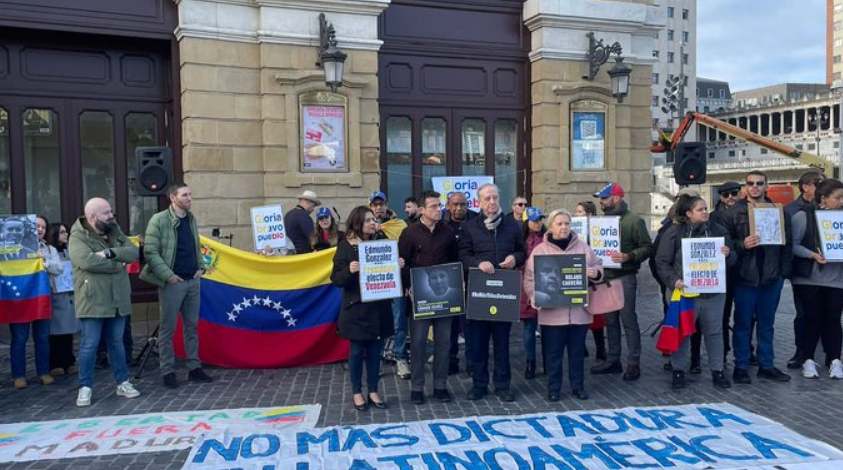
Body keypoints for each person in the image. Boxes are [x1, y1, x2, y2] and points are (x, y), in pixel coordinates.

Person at [654, 195, 736, 390]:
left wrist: (729, 254)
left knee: (714, 332)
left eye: (706, 208)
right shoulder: (673, 233)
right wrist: (674, 281)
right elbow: (661, 262)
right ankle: (678, 370)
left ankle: (717, 370)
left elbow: (734, 259)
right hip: (683, 292)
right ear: (688, 213)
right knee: (682, 332)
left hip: (713, 293)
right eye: (701, 209)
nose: (706, 212)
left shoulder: (718, 231)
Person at [723, 170, 793, 385]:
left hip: (771, 277)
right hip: (745, 277)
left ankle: (767, 365)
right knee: (743, 323)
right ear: (745, 187)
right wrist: (741, 245)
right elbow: (725, 242)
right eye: (751, 183)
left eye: (759, 183)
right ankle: (741, 366)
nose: (755, 187)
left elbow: (787, 245)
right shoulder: (733, 212)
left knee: (767, 324)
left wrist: (783, 274)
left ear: (766, 186)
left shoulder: (779, 212)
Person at [524, 209, 602, 402]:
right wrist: (534, 295)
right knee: (553, 354)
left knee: (577, 354)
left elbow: (599, 266)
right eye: (559, 224)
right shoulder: (540, 251)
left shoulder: (583, 247)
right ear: (551, 226)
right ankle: (554, 388)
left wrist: (595, 272)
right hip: (552, 314)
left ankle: (578, 387)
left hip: (579, 312)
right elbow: (529, 279)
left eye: (567, 223)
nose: (564, 227)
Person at [141, 183, 213, 389]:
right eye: (185, 195)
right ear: (173, 198)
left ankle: (194, 368)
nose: (190, 198)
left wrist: (201, 267)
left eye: (190, 194)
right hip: (173, 282)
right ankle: (168, 371)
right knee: (168, 329)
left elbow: (195, 246)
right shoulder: (159, 220)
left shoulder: (191, 219)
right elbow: (151, 252)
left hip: (192, 280)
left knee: (191, 327)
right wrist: (168, 276)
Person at [69, 198, 141, 406]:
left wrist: (111, 253)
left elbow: (134, 253)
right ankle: (85, 386)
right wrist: (118, 265)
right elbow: (86, 261)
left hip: (117, 298)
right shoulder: (78, 236)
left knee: (117, 343)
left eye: (110, 211)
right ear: (93, 217)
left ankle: (123, 382)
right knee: (89, 345)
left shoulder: (114, 231)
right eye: (106, 212)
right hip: (92, 300)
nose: (111, 215)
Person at [459, 183, 526, 402]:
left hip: (504, 292)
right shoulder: (470, 227)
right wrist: (478, 263)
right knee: (478, 343)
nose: (491, 202)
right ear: (479, 202)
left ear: (500, 199)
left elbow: (522, 251)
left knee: (502, 343)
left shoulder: (512, 226)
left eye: (495, 198)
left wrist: (515, 259)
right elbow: (463, 256)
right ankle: (479, 385)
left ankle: (502, 385)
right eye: (487, 198)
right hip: (479, 293)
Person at [332, 206, 401, 411]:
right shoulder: (346, 246)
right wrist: (349, 270)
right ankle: (356, 391)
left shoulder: (381, 243)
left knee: (375, 351)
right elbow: (336, 278)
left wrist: (396, 265)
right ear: (358, 223)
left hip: (379, 308)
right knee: (356, 352)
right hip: (357, 309)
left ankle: (373, 389)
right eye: (368, 220)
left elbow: (388, 274)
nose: (373, 222)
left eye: (373, 219)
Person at [398, 190, 459, 404]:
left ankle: (440, 385)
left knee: (443, 342)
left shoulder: (448, 232)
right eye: (433, 206)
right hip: (419, 296)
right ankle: (417, 386)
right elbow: (401, 262)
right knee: (418, 343)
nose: (439, 209)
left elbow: (455, 261)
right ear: (422, 210)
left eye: (439, 205)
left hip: (444, 295)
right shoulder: (410, 233)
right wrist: (407, 287)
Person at [590, 182, 653, 381]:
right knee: (610, 321)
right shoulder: (599, 222)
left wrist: (629, 256)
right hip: (605, 277)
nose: (600, 202)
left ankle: (633, 363)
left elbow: (647, 247)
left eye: (604, 198)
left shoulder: (634, 221)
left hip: (625, 276)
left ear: (616, 198)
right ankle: (613, 359)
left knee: (628, 320)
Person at [790, 178, 843, 379]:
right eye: (837, 198)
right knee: (811, 320)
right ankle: (808, 359)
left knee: (833, 320)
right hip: (809, 279)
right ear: (823, 199)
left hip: (837, 280)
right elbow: (793, 246)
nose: (841, 202)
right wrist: (812, 255)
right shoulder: (803, 217)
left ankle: (835, 360)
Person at [8, 215, 60, 389]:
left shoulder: (49, 249)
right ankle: (19, 375)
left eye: (43, 227)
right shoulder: (10, 249)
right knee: (19, 338)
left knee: (42, 337)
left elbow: (59, 269)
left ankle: (43, 372)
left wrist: (43, 261)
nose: (40, 230)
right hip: (19, 299)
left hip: (42, 297)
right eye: (37, 226)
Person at [784, 170, 825, 370]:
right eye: (818, 184)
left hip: (830, 271)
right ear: (805, 187)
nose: (821, 188)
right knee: (803, 314)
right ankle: (801, 353)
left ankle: (829, 354)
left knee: (829, 315)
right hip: (803, 270)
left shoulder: (831, 208)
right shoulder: (791, 209)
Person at [370, 191, 410, 379]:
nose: (378, 208)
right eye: (375, 204)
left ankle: (400, 357)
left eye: (381, 204)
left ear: (386, 205)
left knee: (399, 320)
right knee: (376, 321)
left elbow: (406, 248)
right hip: (375, 283)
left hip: (396, 280)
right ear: (370, 206)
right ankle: (375, 360)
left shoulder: (399, 225)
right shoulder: (365, 227)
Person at [444, 191, 476, 375]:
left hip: (471, 279)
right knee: (450, 325)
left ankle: (472, 363)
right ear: (448, 206)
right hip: (449, 280)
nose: (459, 208)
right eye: (455, 204)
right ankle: (451, 361)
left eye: (462, 204)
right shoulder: (441, 223)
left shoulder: (476, 221)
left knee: (471, 325)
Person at [575, 201, 606, 363]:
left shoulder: (598, 230)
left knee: (597, 314)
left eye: (580, 212)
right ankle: (581, 347)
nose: (577, 215)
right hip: (579, 276)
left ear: (589, 214)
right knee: (579, 312)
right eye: (576, 212)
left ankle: (601, 348)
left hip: (593, 278)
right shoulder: (573, 231)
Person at [47, 222, 78, 377]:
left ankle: (69, 360)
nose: (66, 234)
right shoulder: (50, 252)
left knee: (68, 330)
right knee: (55, 331)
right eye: (62, 232)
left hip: (69, 293)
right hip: (56, 293)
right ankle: (55, 362)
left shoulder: (69, 251)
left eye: (66, 231)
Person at [520, 206, 546, 380]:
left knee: (547, 327)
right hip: (525, 286)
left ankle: (547, 361)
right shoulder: (519, 239)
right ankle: (530, 362)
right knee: (529, 328)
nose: (538, 223)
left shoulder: (547, 237)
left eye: (540, 219)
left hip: (544, 284)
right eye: (534, 220)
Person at [284, 190, 321, 255]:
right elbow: (313, 238)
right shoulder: (304, 216)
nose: (313, 209)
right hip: (302, 256)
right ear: (310, 202)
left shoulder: (288, 214)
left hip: (288, 254)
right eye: (314, 206)